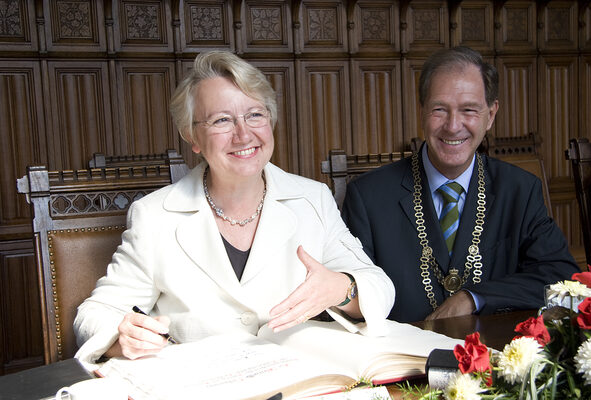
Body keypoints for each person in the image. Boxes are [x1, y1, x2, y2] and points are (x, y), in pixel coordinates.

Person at [74, 51, 395, 364]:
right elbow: (96, 313)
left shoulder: (313, 198)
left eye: (255, 114)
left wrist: (343, 288)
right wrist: (121, 337)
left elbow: (379, 287)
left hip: (298, 379)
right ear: (193, 136)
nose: (243, 135)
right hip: (200, 385)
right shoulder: (154, 215)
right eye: (222, 120)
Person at [342, 46, 579, 323]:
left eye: (469, 110)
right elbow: (349, 290)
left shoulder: (520, 190)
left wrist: (474, 297)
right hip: (402, 360)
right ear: (422, 112)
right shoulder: (368, 196)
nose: (453, 126)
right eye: (439, 110)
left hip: (495, 356)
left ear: (490, 115)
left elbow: (561, 278)